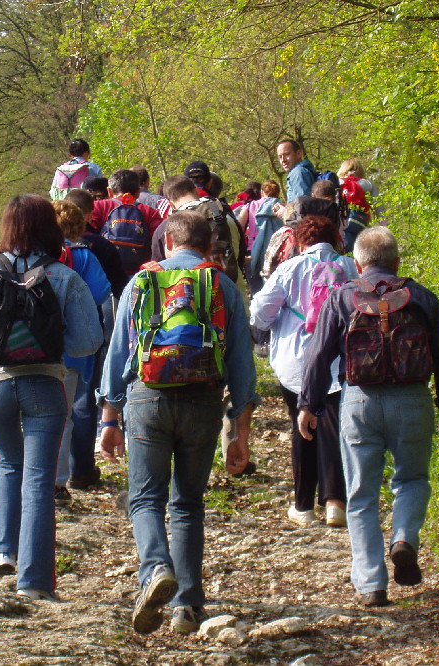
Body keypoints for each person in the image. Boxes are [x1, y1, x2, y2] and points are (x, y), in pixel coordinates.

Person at [97, 210, 259, 636]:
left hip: (147, 398)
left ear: (167, 243)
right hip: (203, 401)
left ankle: (154, 570)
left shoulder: (141, 282)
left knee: (145, 498)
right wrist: (240, 434)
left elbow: (117, 357)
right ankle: (187, 605)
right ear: (209, 248)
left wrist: (108, 419)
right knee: (186, 503)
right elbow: (243, 366)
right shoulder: (223, 286)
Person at [298, 226, 439, 607]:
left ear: (357, 264)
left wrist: (309, 404)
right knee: (412, 479)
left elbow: (318, 355)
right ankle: (403, 538)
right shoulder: (422, 298)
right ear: (397, 261)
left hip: (359, 402)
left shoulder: (343, 298)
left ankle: (372, 583)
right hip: (413, 400)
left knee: (360, 495)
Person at [0, 194, 103, 599]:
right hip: (44, 385)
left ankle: (2, 551)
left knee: (8, 462)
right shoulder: (62, 275)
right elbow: (89, 340)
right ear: (49, 229)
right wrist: (54, 342)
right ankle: (34, 583)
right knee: (39, 477)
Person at [250, 215, 354, 528]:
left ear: (299, 240)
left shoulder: (289, 268)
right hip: (338, 359)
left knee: (302, 427)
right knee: (335, 427)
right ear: (335, 239)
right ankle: (335, 502)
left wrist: (262, 331)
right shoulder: (349, 267)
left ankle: (304, 505)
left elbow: (261, 310)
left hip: (296, 361)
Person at [52, 201, 112, 498]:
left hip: (39, 345)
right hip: (77, 345)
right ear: (79, 227)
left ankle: (41, 475)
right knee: (74, 409)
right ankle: (70, 476)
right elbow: (102, 292)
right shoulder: (83, 256)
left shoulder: (34, 257)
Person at [88, 169, 162, 275]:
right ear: (138, 193)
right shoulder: (149, 212)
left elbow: (89, 237)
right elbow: (158, 243)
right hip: (140, 274)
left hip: (107, 272)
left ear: (109, 191)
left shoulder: (99, 206)